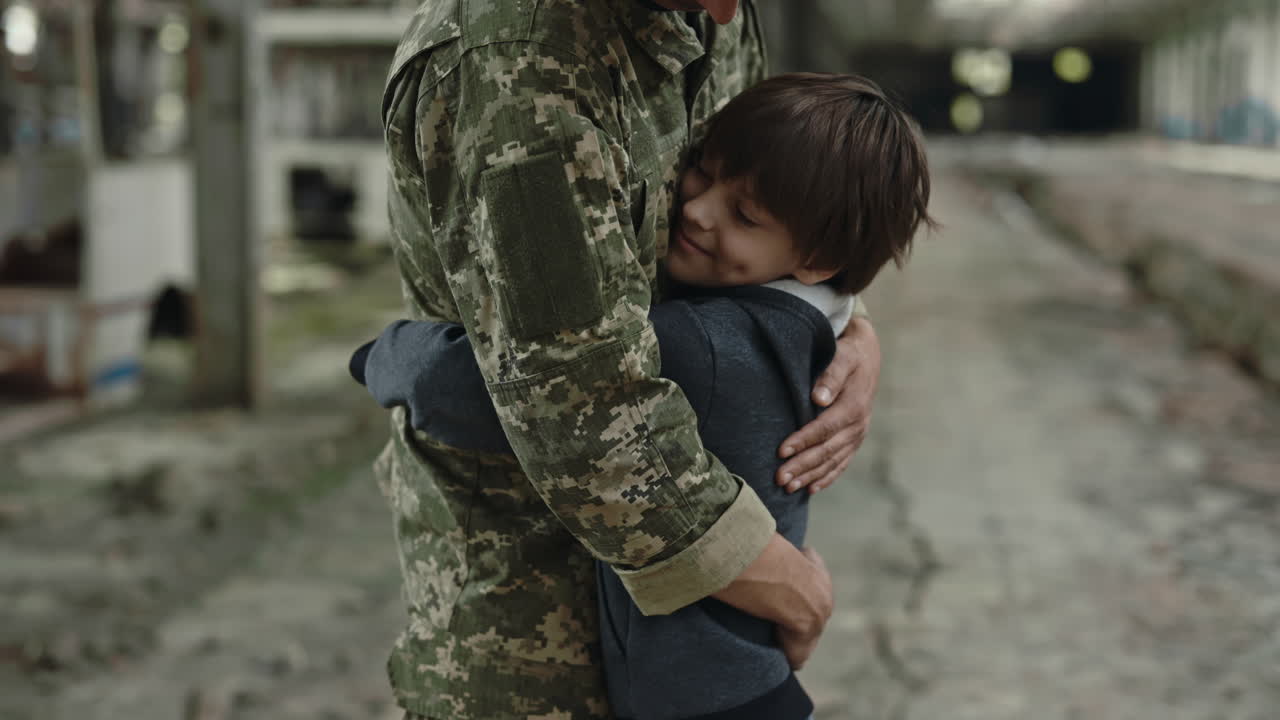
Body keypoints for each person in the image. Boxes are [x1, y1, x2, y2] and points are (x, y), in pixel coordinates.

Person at [354, 72, 934, 720]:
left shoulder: (710, 348)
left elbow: (510, 392)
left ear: (818, 258)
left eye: (744, 214)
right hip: (739, 682)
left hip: (701, 702)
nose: (697, 209)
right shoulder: (812, 327)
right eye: (703, 171)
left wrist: (383, 355)